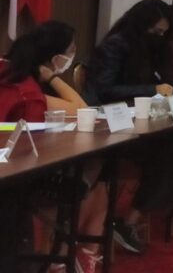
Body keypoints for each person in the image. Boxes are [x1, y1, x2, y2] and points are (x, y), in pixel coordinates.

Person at [0, 22, 106, 273]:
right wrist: (52, 77)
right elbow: (81, 110)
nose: (73, 55)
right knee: (94, 170)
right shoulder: (25, 87)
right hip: (19, 174)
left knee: (96, 172)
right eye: (70, 50)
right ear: (53, 56)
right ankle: (66, 252)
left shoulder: (11, 71)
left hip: (16, 166)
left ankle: (65, 251)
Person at [86, 0, 173, 254]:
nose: (159, 37)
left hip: (139, 122)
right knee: (167, 155)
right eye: (156, 31)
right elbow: (105, 89)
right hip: (111, 126)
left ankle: (131, 219)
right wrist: (151, 90)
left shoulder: (149, 47)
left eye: (163, 33)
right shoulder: (115, 46)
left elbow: (164, 81)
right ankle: (127, 222)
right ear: (142, 25)